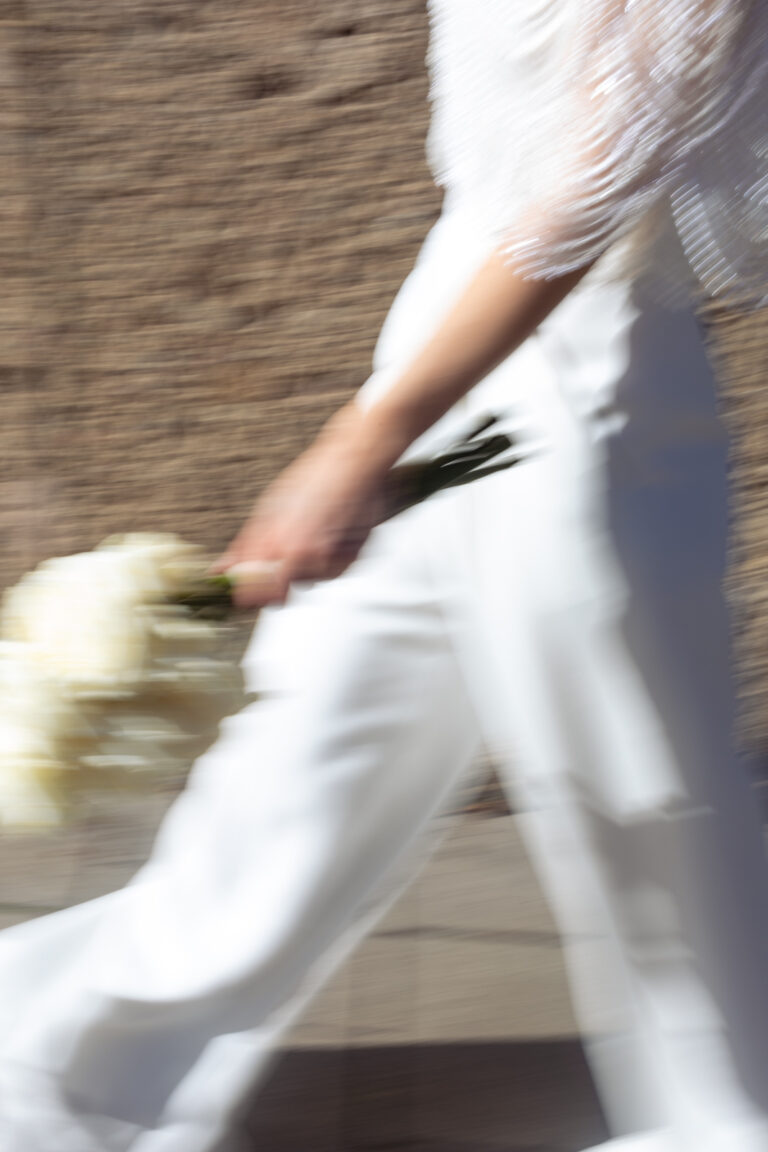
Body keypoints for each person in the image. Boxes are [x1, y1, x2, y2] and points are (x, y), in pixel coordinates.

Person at [1, 0, 767, 1149]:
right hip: (453, 319)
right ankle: (54, 1085)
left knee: (654, 834)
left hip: (588, 381)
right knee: (295, 772)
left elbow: (602, 174)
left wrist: (368, 437)